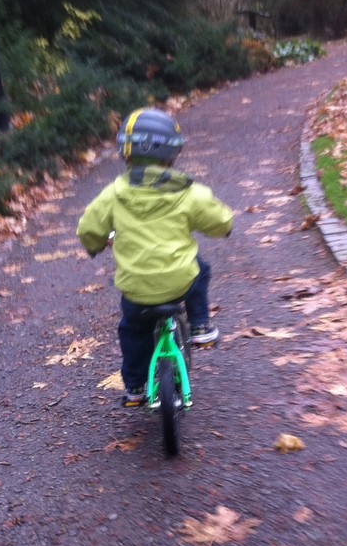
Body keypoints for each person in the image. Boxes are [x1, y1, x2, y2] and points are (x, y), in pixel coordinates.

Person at [77, 108, 233, 407]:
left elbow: (88, 229)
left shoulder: (113, 195)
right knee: (200, 271)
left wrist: (96, 243)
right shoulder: (189, 193)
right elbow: (220, 219)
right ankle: (199, 326)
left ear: (126, 154)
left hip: (136, 289)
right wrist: (224, 226)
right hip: (179, 283)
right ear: (172, 155)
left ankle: (135, 387)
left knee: (132, 331)